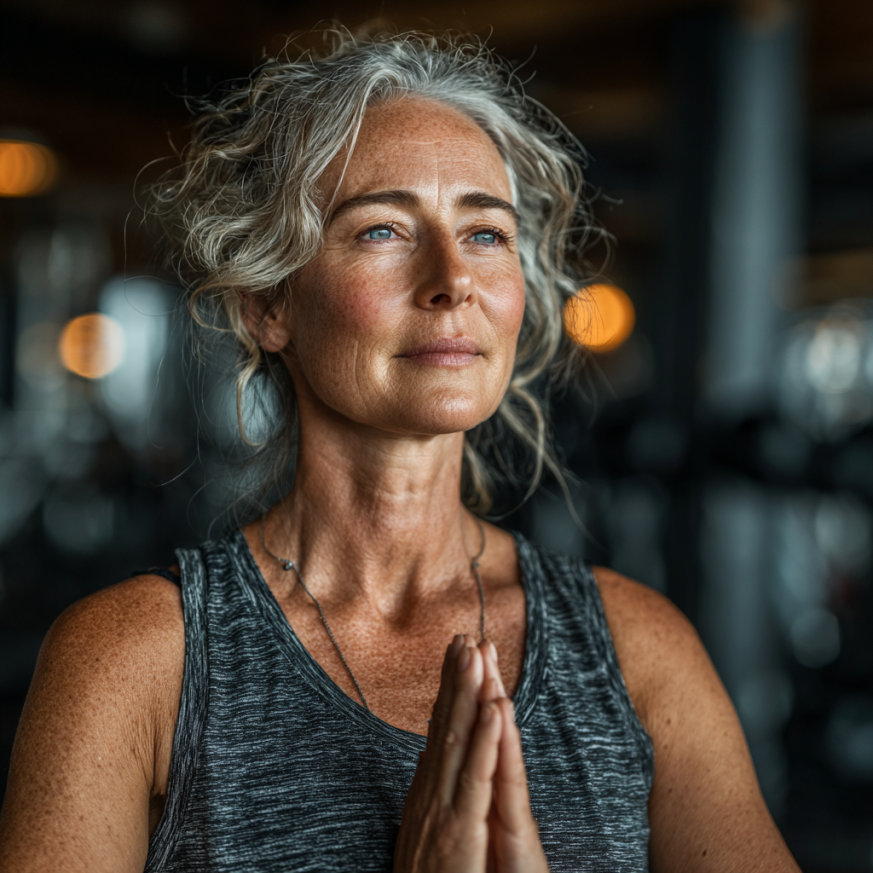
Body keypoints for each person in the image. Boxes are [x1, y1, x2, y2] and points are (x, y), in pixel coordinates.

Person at [0, 30, 800, 873]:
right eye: (383, 229)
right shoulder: (133, 660)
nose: (451, 277)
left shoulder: (639, 648)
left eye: (485, 233)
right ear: (266, 305)